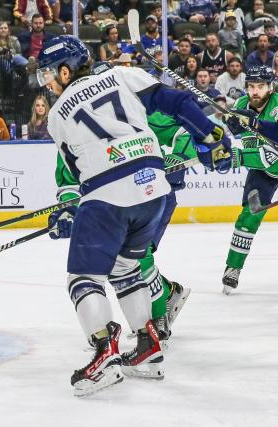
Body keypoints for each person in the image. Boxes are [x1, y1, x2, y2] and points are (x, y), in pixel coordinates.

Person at [36, 35, 231, 396]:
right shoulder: (121, 75)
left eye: (48, 74)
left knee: (82, 278)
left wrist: (70, 212)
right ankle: (148, 348)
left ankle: (104, 354)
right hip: (154, 190)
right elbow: (175, 100)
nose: (46, 83)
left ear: (65, 70)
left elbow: (78, 174)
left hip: (108, 195)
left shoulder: (57, 114)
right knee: (125, 269)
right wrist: (211, 134)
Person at [222, 66, 278, 294]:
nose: (255, 91)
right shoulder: (241, 105)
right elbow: (253, 148)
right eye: (252, 86)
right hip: (264, 169)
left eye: (261, 87)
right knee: (248, 216)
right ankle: (233, 268)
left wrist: (257, 125)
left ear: (271, 87)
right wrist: (233, 125)